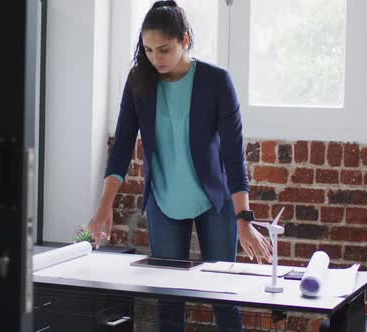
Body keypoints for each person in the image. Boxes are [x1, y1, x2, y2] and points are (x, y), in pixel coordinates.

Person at [88, 1, 272, 331]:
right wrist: (104, 206)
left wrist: (245, 219)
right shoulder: (138, 82)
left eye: (164, 49)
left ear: (184, 41)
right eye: (147, 50)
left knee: (223, 297)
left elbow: (233, 154)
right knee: (169, 301)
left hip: (214, 203)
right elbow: (122, 148)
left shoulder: (216, 81)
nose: (155, 59)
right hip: (164, 201)